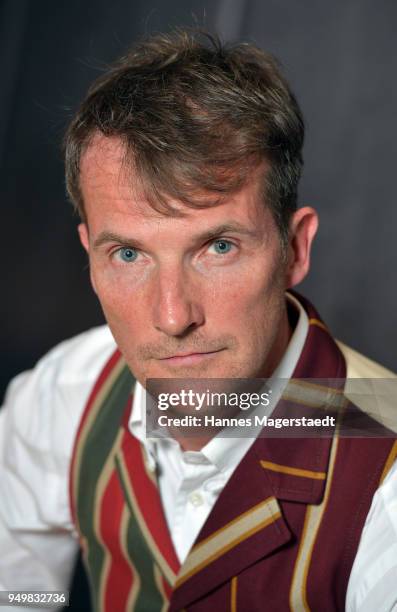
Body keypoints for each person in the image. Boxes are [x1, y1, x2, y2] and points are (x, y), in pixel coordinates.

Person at [0, 29, 396, 612]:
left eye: (217, 247)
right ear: (89, 257)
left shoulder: (385, 477)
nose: (171, 316)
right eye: (128, 255)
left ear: (294, 249)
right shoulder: (67, 392)